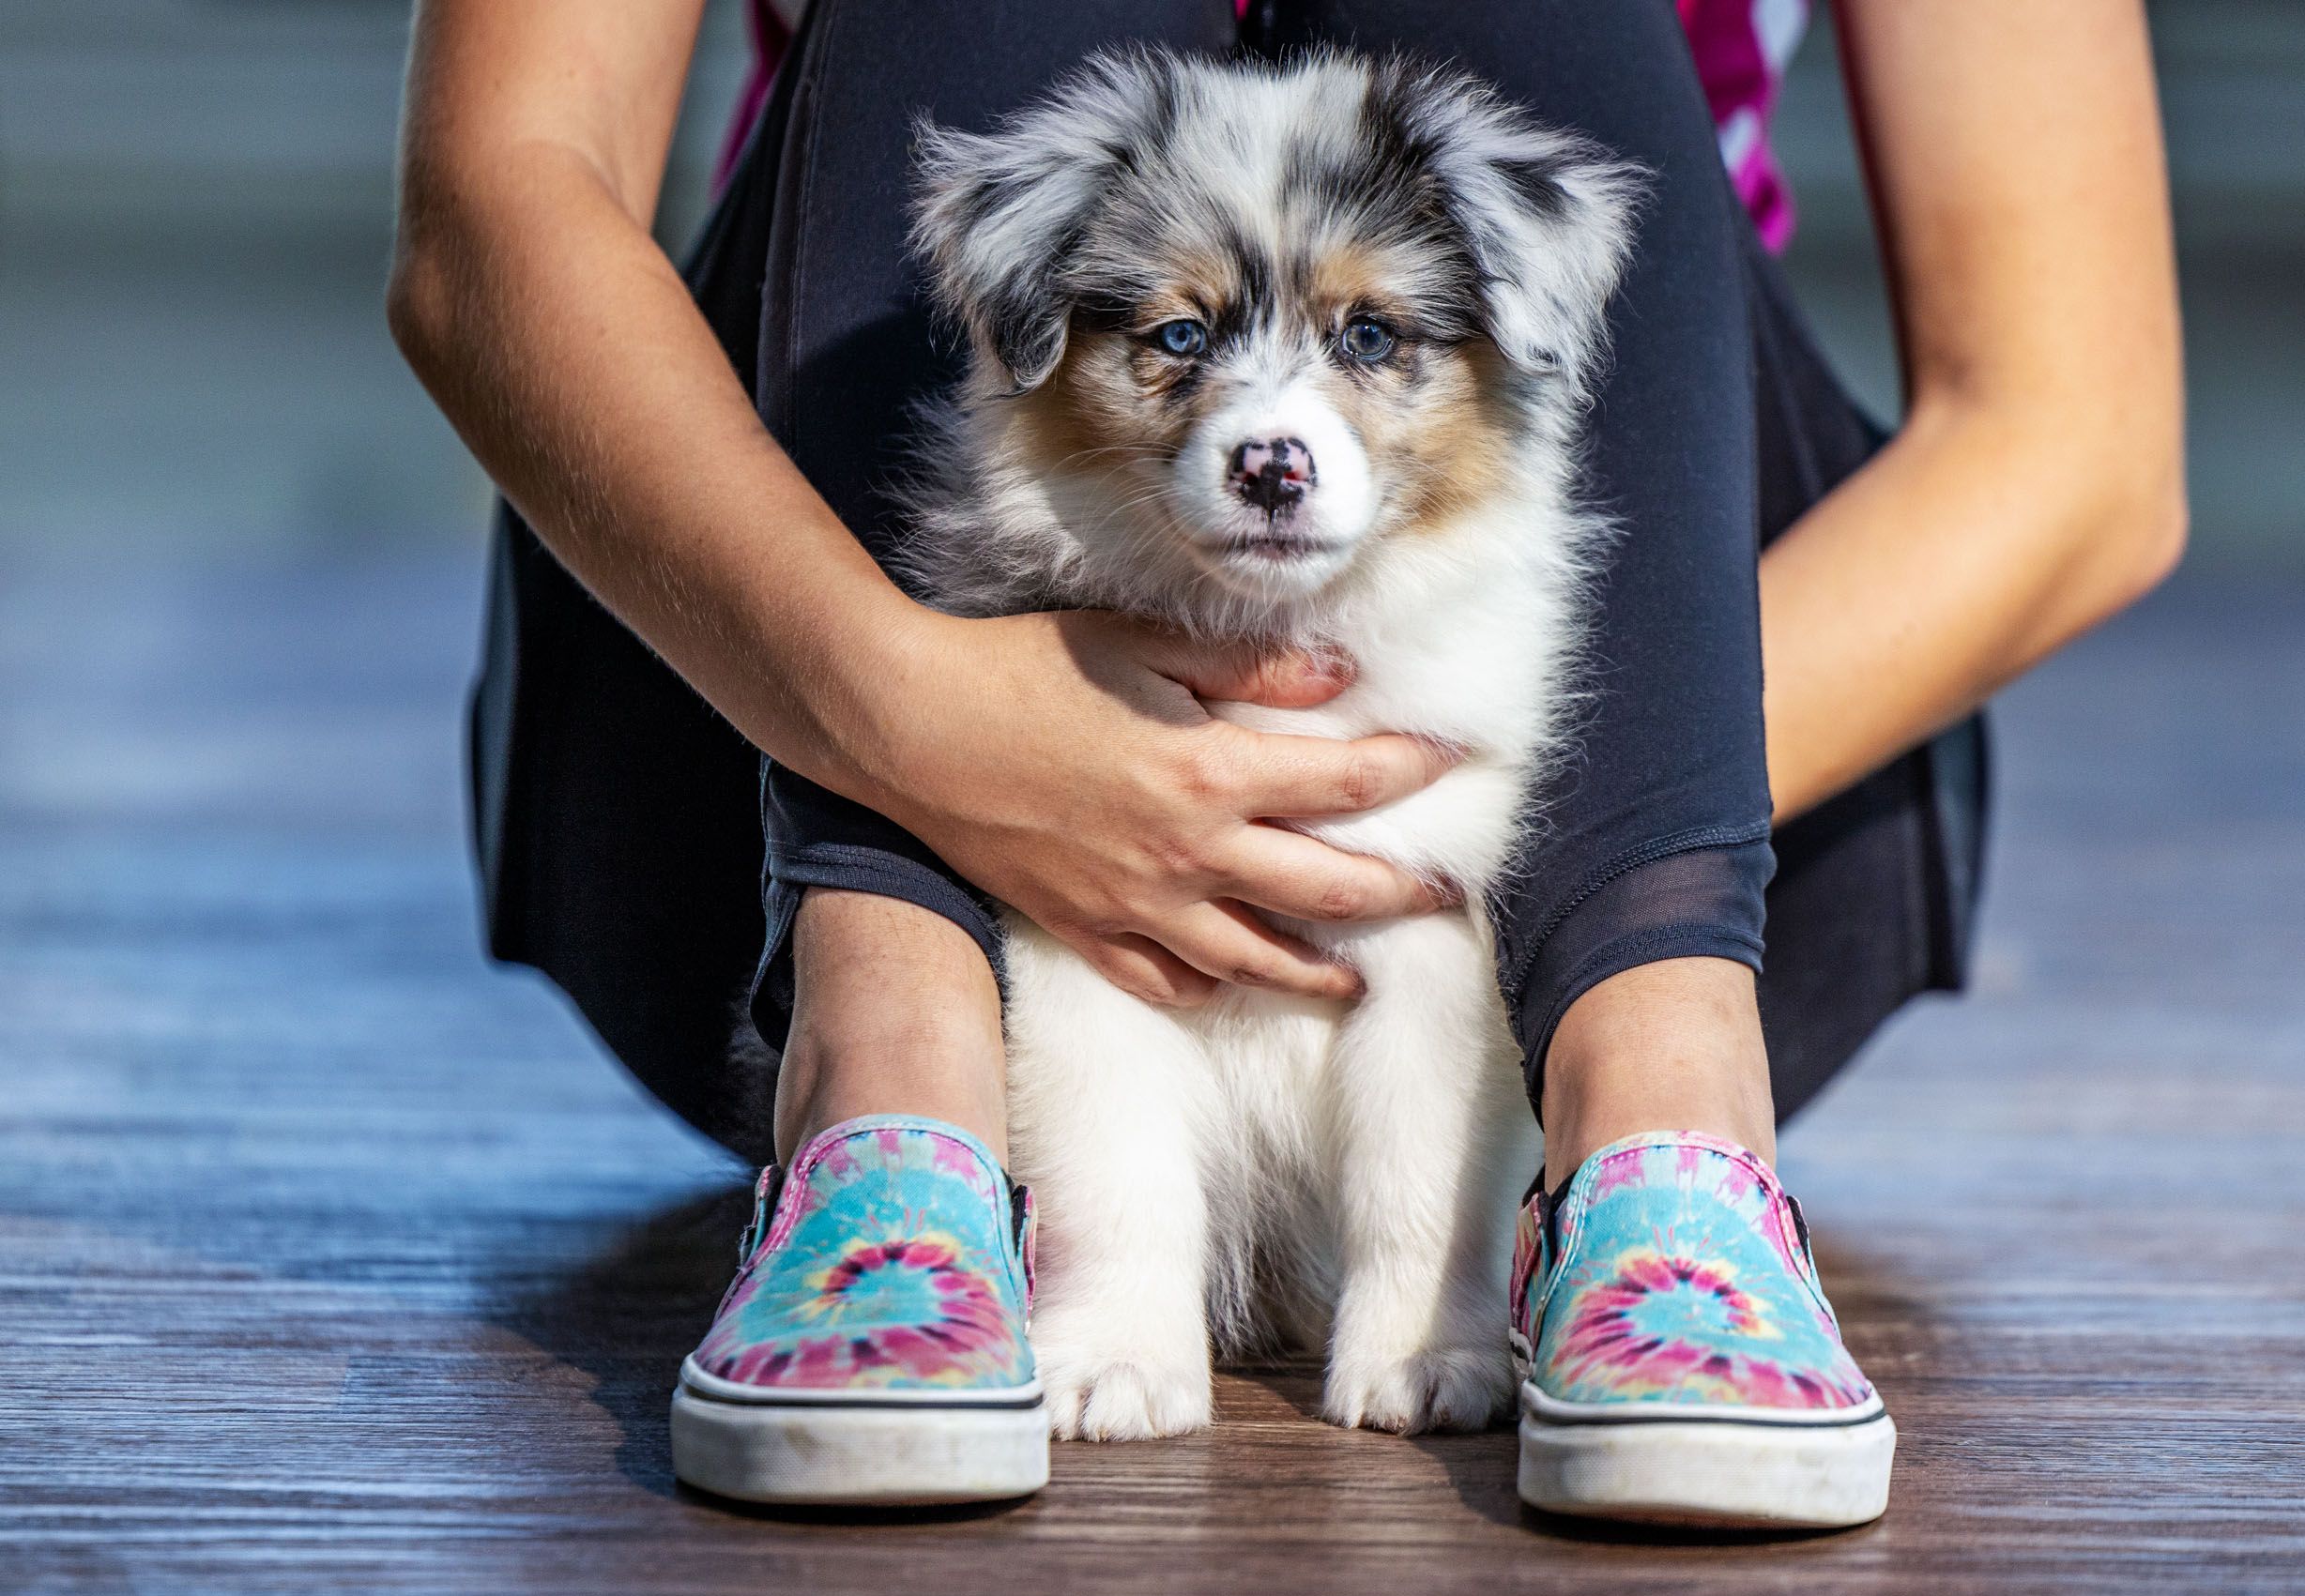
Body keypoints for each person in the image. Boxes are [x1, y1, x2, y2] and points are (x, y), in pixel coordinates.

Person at [390, 0, 2183, 1516]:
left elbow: (2082, 449)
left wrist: (1464, 775)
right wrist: (908, 715)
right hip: (769, 740)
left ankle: (1657, 1126)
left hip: (1618, 756)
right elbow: (494, 211)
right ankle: (893, 1096)